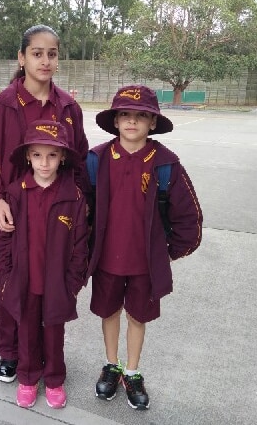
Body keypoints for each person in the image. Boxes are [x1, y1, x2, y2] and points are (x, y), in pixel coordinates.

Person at [0, 24, 91, 383]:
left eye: (52, 54)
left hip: (56, 216)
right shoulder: (0, 106)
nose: (45, 60)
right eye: (37, 53)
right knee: (12, 285)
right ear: (22, 58)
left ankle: (48, 356)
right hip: (13, 215)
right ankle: (11, 353)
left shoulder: (69, 108)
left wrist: (81, 211)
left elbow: (79, 163)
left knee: (52, 284)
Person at [87, 85, 203, 410]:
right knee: (109, 312)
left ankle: (132, 371)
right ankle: (111, 365)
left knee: (138, 317)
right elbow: (81, 208)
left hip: (144, 265)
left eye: (141, 116)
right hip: (107, 259)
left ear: (153, 122)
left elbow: (188, 217)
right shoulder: (96, 160)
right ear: (115, 121)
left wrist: (167, 253)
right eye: (125, 114)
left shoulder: (165, 164)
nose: (132, 121)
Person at [0, 120, 88, 409]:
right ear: (27, 157)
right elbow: (3, 239)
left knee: (54, 334)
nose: (44, 163)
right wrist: (8, 275)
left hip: (58, 284)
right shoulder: (15, 193)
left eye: (51, 155)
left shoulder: (74, 197)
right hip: (24, 280)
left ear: (62, 158)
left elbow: (81, 243)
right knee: (27, 332)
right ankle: (27, 377)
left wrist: (72, 283)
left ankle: (55, 379)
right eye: (37, 155)